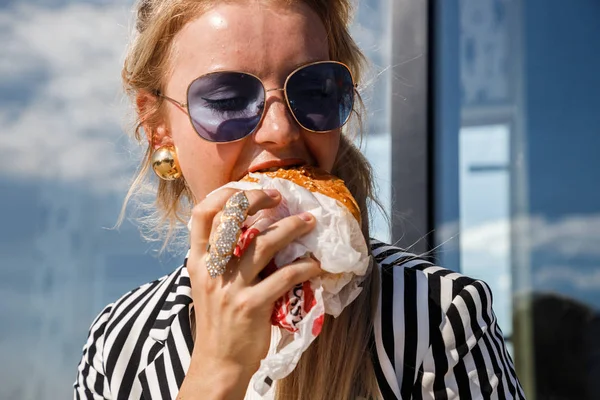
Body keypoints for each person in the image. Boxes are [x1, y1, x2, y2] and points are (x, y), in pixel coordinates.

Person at [73, 0, 525, 399]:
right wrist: (217, 372)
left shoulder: (435, 316)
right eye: (228, 100)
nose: (281, 131)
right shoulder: (119, 345)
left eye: (314, 91)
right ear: (159, 127)